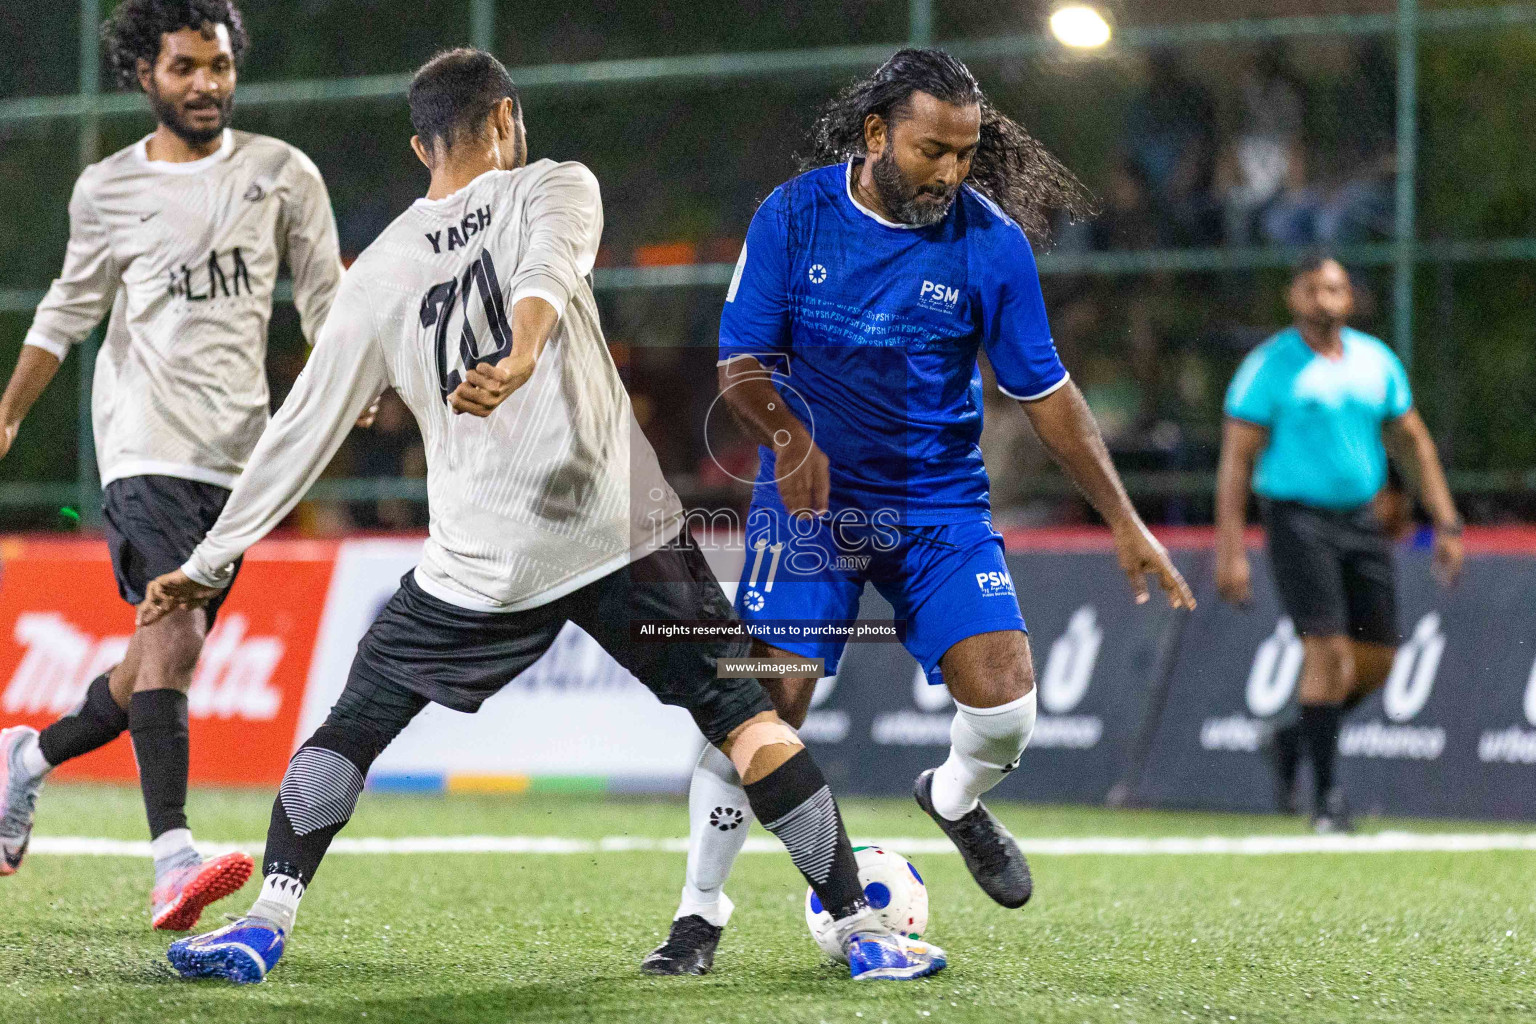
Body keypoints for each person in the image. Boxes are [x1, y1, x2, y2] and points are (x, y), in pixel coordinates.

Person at [142, 48, 945, 985]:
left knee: (349, 730)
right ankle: (863, 932)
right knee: (747, 717)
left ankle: (267, 919)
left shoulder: (377, 274)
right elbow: (549, 275)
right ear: (506, 122)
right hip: (622, 530)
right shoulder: (557, 183)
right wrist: (523, 353)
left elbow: (299, 434)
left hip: (482, 564)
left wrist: (211, 556)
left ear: (420, 146)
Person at [643, 49, 1195, 976]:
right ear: (875, 135)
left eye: (966, 154)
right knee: (760, 707)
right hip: (810, 506)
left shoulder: (991, 243)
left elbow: (1049, 394)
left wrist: (1126, 523)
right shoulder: (794, 216)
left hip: (938, 503)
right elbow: (741, 364)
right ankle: (699, 915)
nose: (951, 173)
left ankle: (952, 796)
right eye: (933, 151)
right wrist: (790, 438)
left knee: (1010, 705)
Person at [0, 0, 350, 931]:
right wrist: (7, 414)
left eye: (220, 66)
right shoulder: (107, 188)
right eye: (187, 68)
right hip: (143, 442)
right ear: (143, 74)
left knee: (151, 662)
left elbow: (330, 309)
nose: (207, 84)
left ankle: (24, 760)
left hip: (243, 460)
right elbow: (65, 313)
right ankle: (172, 859)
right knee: (181, 634)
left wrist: (353, 396)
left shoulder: (282, 174)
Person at [1214, 255, 1463, 831]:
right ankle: (1326, 800)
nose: (1326, 298)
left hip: (1362, 521)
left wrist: (1446, 523)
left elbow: (1413, 443)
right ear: (1294, 297)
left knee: (1378, 662)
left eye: (1336, 288)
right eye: (1314, 288)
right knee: (1327, 653)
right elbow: (1235, 461)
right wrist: (1231, 549)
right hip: (1296, 519)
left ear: (1349, 298)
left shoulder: (1377, 362)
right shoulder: (1268, 366)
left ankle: (1293, 739)